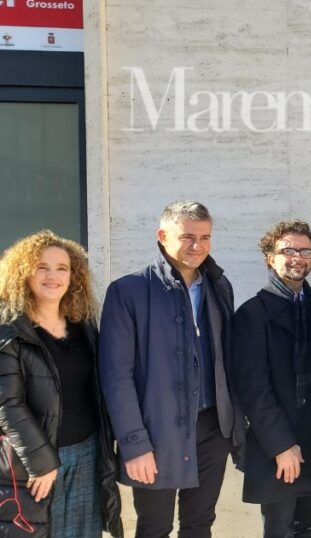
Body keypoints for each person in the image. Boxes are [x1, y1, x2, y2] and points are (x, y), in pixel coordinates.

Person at [100, 201, 243, 538]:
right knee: (154, 528)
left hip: (213, 429)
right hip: (155, 432)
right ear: (162, 236)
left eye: (205, 237)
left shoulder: (219, 286)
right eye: (188, 237)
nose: (198, 246)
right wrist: (134, 444)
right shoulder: (128, 291)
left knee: (200, 524)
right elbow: (116, 376)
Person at [0, 231, 122, 537]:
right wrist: (42, 463)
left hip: (87, 452)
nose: (52, 276)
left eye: (62, 268)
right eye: (42, 267)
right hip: (34, 462)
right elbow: (7, 404)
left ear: (73, 276)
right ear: (23, 273)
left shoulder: (84, 325)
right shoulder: (9, 331)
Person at [231, 220, 311, 537]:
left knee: (308, 526)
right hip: (276, 444)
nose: (297, 257)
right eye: (288, 250)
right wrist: (282, 445)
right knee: (279, 529)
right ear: (270, 258)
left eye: (305, 251)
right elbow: (252, 389)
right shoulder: (252, 313)